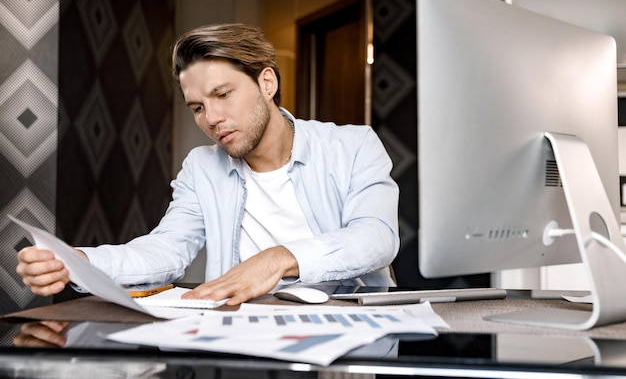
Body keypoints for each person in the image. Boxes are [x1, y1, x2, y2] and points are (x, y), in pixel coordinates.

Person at [16, 23, 400, 306]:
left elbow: (376, 239)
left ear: (267, 82)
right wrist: (81, 262)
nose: (211, 118)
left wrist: (278, 259)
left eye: (222, 94)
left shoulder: (352, 145)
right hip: (239, 341)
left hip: (347, 333)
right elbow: (168, 250)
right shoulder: (201, 167)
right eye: (197, 107)